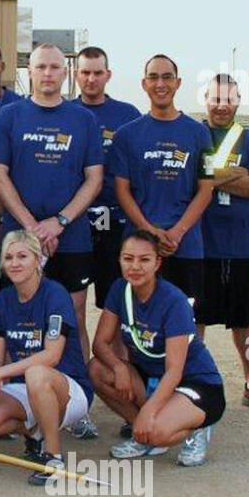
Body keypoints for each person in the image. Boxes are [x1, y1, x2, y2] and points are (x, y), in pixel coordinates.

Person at [0, 42, 103, 437]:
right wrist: (33, 228)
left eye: (56, 67)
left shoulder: (82, 119)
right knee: (11, 318)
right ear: (30, 72)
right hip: (20, 238)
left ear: (64, 73)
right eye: (41, 67)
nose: (49, 74)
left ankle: (75, 402)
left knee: (73, 317)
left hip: (70, 239)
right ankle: (11, 392)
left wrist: (61, 221)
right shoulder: (10, 114)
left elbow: (94, 178)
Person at [89, 230, 226, 466]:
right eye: (128, 259)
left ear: (157, 263)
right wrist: (118, 367)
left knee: (158, 431)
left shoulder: (174, 301)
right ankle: (143, 433)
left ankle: (197, 428)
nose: (135, 266)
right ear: (120, 260)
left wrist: (148, 411)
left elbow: (174, 370)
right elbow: (100, 343)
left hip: (195, 383)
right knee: (96, 370)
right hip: (153, 378)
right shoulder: (119, 289)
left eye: (144, 260)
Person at [0, 231, 95, 484]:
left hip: (68, 388)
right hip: (26, 387)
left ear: (38, 260)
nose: (14, 263)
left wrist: (1, 373)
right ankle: (35, 433)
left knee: (36, 372)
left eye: (22, 256)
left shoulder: (55, 293)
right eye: (8, 257)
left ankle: (53, 457)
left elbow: (51, 355)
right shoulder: (4, 299)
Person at [196, 74, 249, 412]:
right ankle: (193, 379)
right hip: (200, 245)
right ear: (205, 99)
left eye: (227, 98)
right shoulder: (193, 135)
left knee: (248, 321)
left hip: (245, 246)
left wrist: (211, 178)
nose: (221, 105)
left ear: (238, 100)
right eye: (215, 98)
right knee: (193, 320)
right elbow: (190, 179)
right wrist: (237, 173)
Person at [110, 54, 215, 310]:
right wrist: (150, 232)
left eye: (167, 77)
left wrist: (177, 233)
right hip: (140, 247)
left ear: (178, 83)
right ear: (144, 84)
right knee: (139, 320)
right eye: (153, 77)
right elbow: (122, 192)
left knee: (188, 320)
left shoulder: (200, 133)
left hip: (186, 245)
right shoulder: (126, 135)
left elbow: (206, 189)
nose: (160, 84)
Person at [73, 46, 143, 311]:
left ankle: (112, 355)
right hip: (74, 224)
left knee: (117, 307)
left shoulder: (128, 115)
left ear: (108, 74)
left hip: (116, 223)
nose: (91, 79)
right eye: (85, 73)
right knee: (72, 307)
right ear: (76, 74)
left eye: (97, 73)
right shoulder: (65, 112)